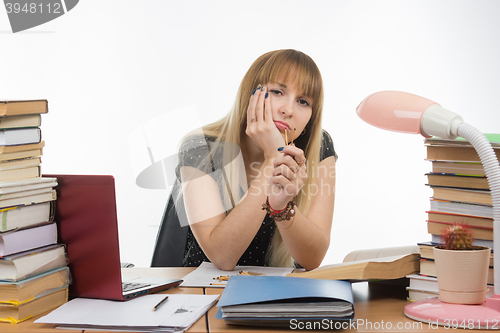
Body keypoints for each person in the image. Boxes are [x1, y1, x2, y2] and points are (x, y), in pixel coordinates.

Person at [151, 49, 337, 271]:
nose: (288, 110)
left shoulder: (319, 147)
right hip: (205, 294)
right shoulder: (200, 147)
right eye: (278, 91)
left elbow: (312, 259)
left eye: (303, 101)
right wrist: (272, 160)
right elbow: (222, 257)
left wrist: (283, 208)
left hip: (278, 298)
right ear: (251, 93)